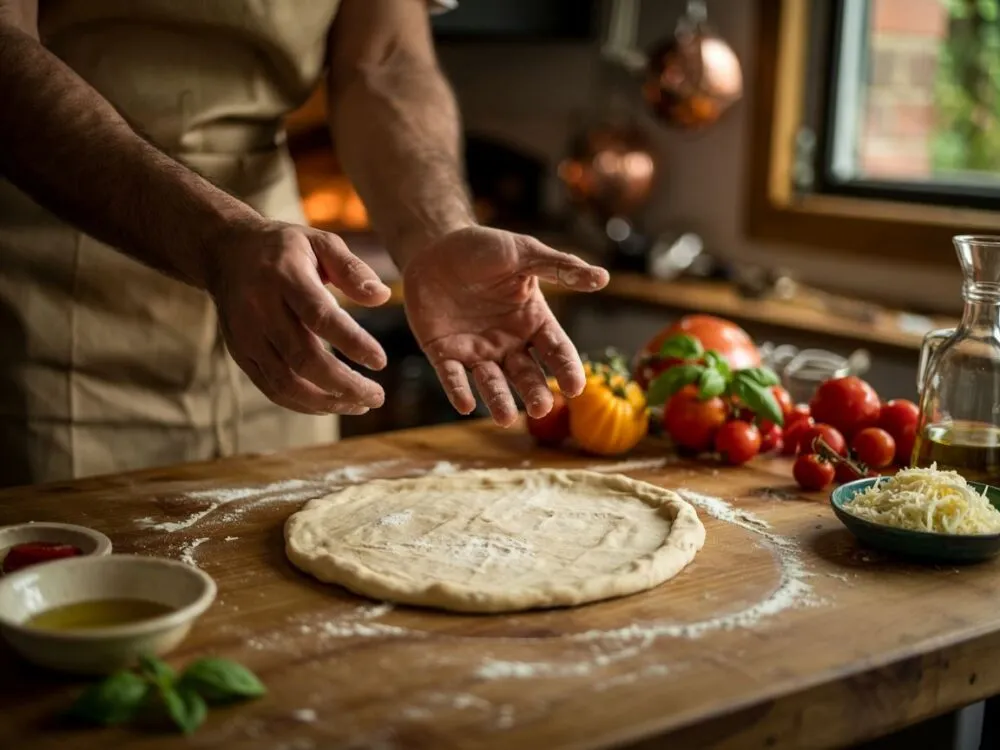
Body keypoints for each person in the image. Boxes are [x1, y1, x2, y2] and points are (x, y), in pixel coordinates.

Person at [0, 0, 609, 487]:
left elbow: (385, 62)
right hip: (67, 272)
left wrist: (438, 231)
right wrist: (218, 239)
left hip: (288, 294)